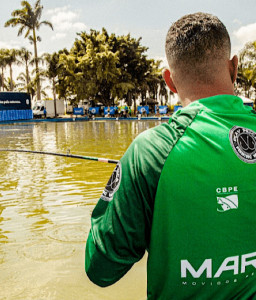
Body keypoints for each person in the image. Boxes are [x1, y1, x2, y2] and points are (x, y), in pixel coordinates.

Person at [85, 12, 256, 299]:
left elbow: (101, 267)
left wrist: (139, 182)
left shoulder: (149, 152)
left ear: (169, 81)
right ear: (234, 68)